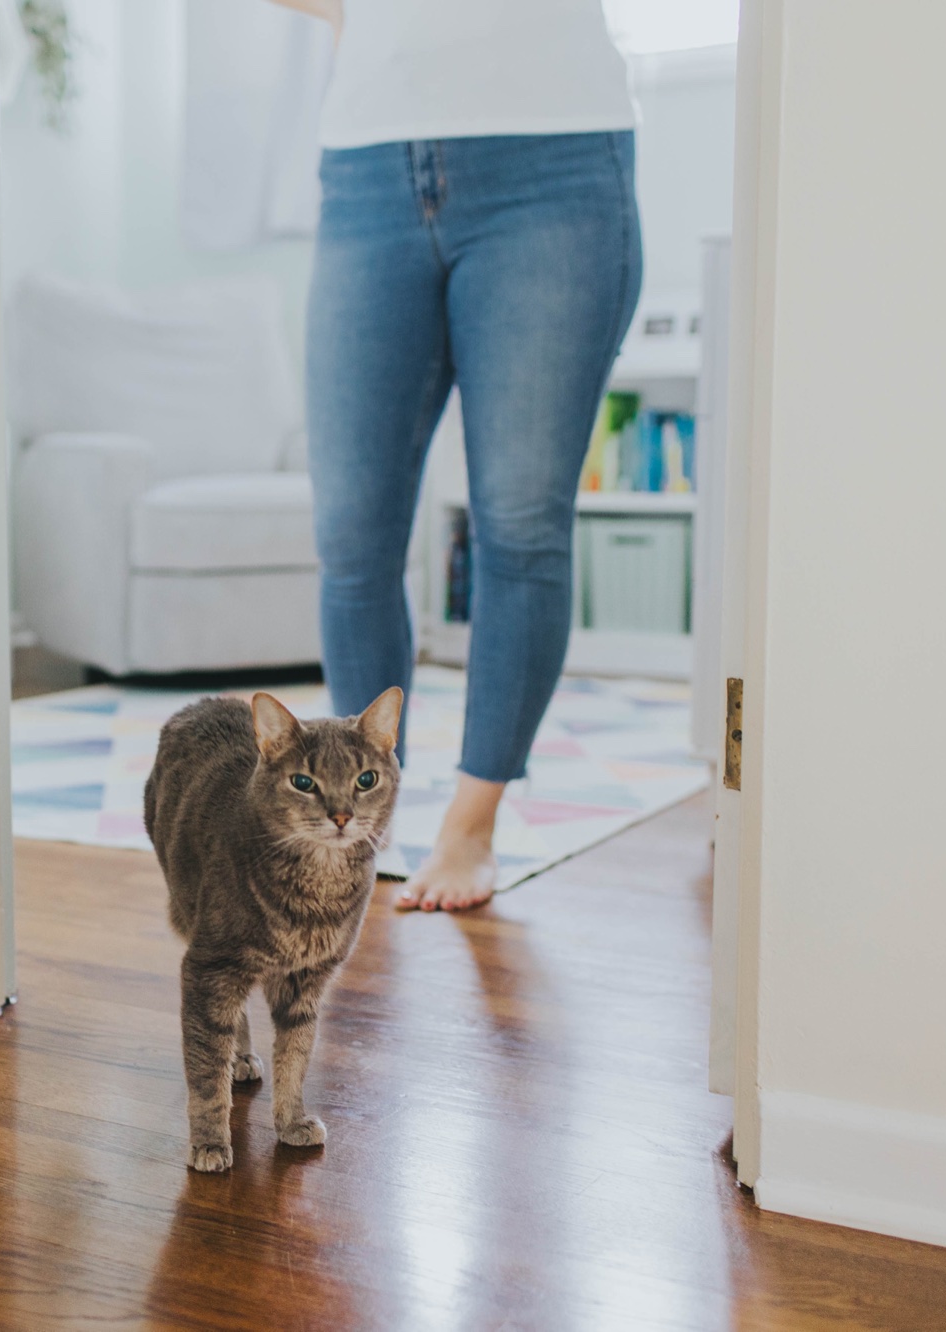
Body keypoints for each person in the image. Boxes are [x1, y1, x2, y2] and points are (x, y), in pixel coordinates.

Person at [269, 0, 643, 910]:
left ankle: (470, 832)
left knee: (518, 522)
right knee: (352, 537)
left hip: (553, 159)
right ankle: (358, 828)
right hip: (367, 165)